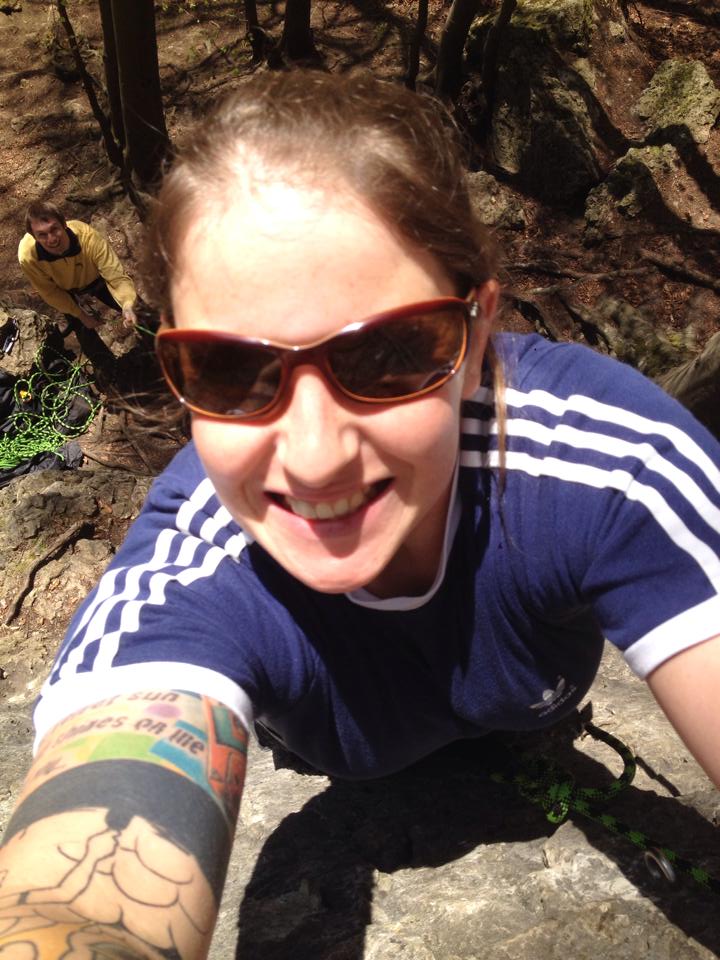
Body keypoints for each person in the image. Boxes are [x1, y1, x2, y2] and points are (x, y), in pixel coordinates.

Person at [1, 70, 719, 959]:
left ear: (477, 335)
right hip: (352, 767)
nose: (314, 456)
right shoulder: (197, 569)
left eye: (389, 354)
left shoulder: (602, 460)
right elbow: (81, 877)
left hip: (527, 728)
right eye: (229, 370)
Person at [18, 200, 138, 371]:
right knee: (85, 334)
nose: (51, 239)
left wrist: (127, 303)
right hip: (64, 290)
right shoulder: (28, 256)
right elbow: (50, 292)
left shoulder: (87, 237)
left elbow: (115, 274)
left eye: (54, 229)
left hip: (95, 277)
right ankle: (110, 374)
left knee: (139, 310)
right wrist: (80, 315)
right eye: (42, 235)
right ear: (34, 236)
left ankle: (164, 342)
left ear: (64, 224)